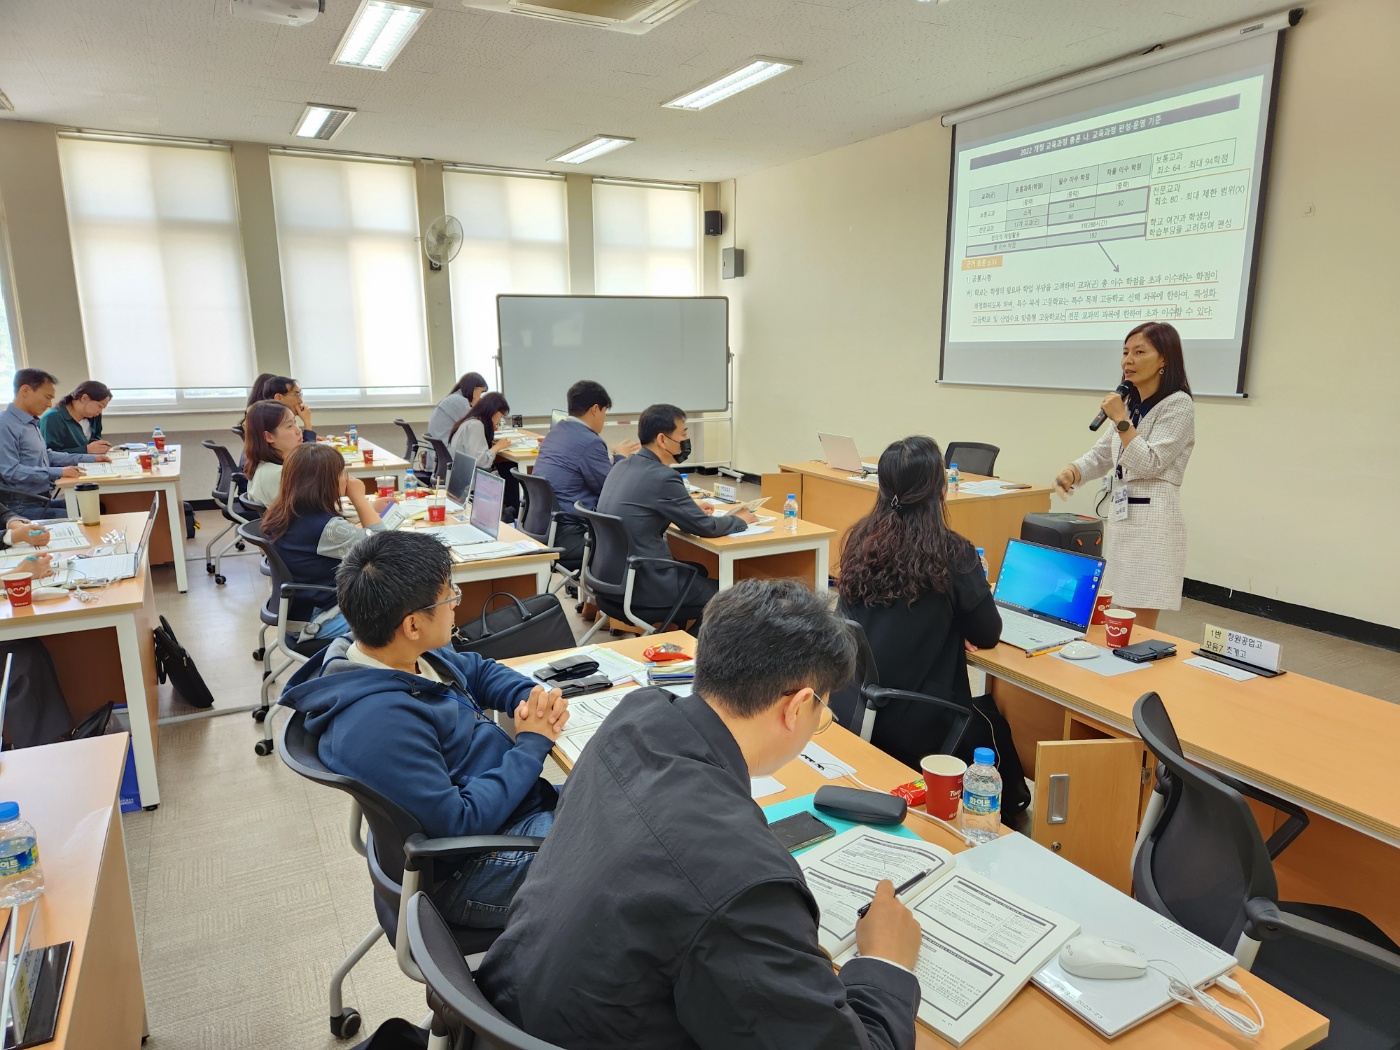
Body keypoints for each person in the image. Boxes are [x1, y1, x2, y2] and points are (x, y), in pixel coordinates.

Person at [477, 579, 922, 1049]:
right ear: (796, 707)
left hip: (512, 1009)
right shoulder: (743, 883)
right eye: (822, 714)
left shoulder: (635, 716)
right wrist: (884, 966)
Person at [279, 529, 569, 925]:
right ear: (413, 624)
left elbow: (479, 671)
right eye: (451, 597)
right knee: (637, 853)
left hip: (506, 808)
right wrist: (531, 745)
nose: (456, 607)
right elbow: (459, 824)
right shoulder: (378, 724)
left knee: (630, 797)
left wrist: (529, 697)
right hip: (466, 870)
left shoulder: (397, 651)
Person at [837, 436, 1004, 771]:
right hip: (920, 720)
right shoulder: (952, 551)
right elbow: (987, 635)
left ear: (881, 487)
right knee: (997, 728)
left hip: (855, 705)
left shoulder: (859, 539)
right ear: (939, 490)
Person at [1054, 321, 1195, 630]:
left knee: (1138, 622)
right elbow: (1103, 454)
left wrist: (1120, 418)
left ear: (1164, 360)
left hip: (1153, 524)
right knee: (1116, 611)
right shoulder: (1130, 404)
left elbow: (1150, 462)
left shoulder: (1178, 405)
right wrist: (1073, 471)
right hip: (1124, 519)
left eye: (1139, 351)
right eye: (1125, 352)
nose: (1127, 360)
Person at [595, 403, 755, 629]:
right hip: (643, 587)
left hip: (609, 581)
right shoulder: (663, 477)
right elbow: (705, 527)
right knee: (732, 596)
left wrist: (687, 507)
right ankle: (694, 653)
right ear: (663, 440)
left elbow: (646, 506)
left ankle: (671, 638)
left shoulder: (623, 466)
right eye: (683, 434)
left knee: (699, 571)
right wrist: (740, 521)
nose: (686, 441)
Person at [259, 442, 387, 642]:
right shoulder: (328, 528)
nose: (346, 478)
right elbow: (384, 545)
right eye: (343, 473)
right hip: (320, 619)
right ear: (328, 482)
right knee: (413, 611)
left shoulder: (282, 511)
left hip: (295, 613)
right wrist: (358, 498)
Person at [530, 379, 640, 569]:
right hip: (570, 532)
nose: (604, 419)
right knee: (637, 545)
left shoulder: (556, 432)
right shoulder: (590, 442)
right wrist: (621, 457)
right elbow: (612, 489)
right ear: (596, 409)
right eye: (605, 412)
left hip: (542, 526)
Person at [0, 368, 110, 519]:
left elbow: (47, 455)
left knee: (96, 507)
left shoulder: (29, 423)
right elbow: (10, 472)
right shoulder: (5, 425)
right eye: (47, 397)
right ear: (25, 390)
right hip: (19, 506)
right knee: (83, 517)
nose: (50, 404)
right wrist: (59, 472)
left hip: (40, 499)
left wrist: (92, 458)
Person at [449, 391, 520, 518]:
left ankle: (510, 512)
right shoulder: (476, 425)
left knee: (507, 466)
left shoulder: (470, 421)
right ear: (493, 410)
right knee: (511, 471)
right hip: (470, 482)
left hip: (461, 477)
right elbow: (481, 461)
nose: (500, 418)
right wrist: (497, 447)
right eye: (501, 414)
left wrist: (491, 445)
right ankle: (513, 515)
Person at [243, 400, 304, 506]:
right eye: (289, 426)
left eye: (295, 422)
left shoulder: (263, 465)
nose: (298, 430)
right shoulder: (277, 474)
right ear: (269, 437)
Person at [39, 380, 112, 456]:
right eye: (99, 406)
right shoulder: (52, 418)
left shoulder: (94, 416)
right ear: (84, 398)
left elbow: (96, 437)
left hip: (91, 462)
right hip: (65, 466)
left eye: (103, 408)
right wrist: (86, 449)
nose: (100, 411)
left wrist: (99, 446)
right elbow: (50, 455)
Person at [237, 375, 316, 442]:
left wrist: (305, 436)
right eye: (296, 394)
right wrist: (307, 423)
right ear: (278, 397)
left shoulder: (269, 415)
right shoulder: (266, 419)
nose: (300, 401)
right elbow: (306, 457)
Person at [426, 371, 488, 448]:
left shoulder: (454, 398)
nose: (480, 396)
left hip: (440, 452)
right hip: (446, 452)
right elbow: (474, 428)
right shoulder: (459, 401)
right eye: (481, 392)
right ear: (474, 389)